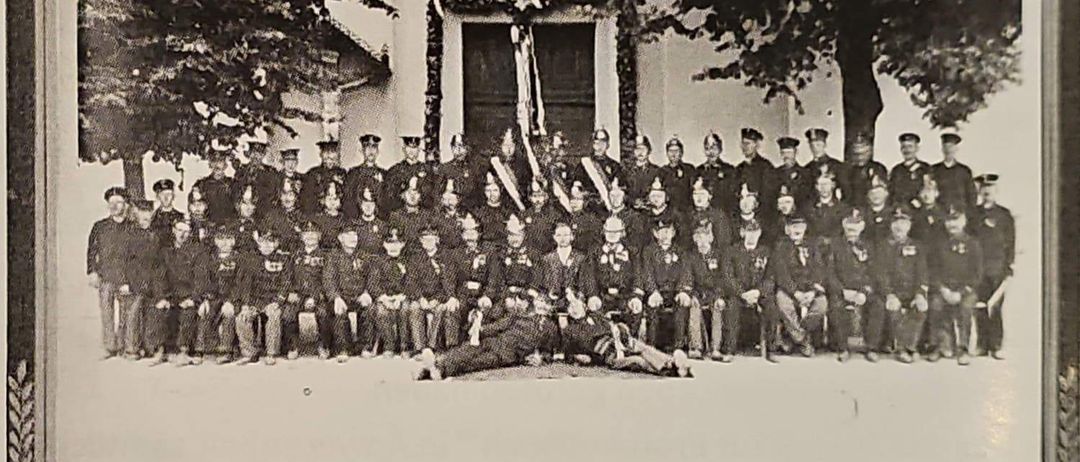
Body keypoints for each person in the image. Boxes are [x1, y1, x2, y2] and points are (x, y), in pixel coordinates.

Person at [413, 292, 559, 381]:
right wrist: (480, 330)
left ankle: (435, 369)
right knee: (468, 349)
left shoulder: (550, 327)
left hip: (508, 353)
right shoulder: (518, 315)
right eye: (539, 301)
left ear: (551, 307)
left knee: (477, 362)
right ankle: (435, 366)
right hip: (494, 340)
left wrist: (541, 358)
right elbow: (499, 326)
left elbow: (549, 351)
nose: (541, 304)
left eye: (545, 303)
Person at [561, 300, 692, 377]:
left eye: (577, 305)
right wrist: (578, 357)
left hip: (622, 342)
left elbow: (610, 325)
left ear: (584, 307)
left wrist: (617, 329)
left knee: (644, 348)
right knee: (638, 360)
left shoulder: (596, 317)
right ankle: (669, 369)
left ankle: (672, 362)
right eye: (571, 307)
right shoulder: (571, 329)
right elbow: (573, 347)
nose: (574, 308)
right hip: (610, 355)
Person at [826, 209, 885, 363]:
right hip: (842, 290)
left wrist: (864, 292)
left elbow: (875, 273)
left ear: (862, 226)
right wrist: (842, 291)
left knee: (878, 304)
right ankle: (842, 348)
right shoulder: (834, 245)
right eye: (849, 225)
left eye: (856, 225)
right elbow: (829, 273)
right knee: (836, 305)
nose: (852, 229)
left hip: (863, 290)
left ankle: (872, 348)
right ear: (843, 225)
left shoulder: (869, 246)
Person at [927, 206, 983, 366]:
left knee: (965, 308)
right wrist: (943, 289)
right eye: (949, 221)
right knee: (936, 306)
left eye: (956, 221)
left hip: (965, 290)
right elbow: (933, 270)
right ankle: (938, 346)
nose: (952, 225)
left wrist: (961, 292)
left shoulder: (973, 244)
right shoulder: (939, 244)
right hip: (943, 289)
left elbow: (977, 274)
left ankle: (963, 348)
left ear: (964, 222)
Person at [876, 206, 930, 364]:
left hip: (911, 292)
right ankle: (901, 349)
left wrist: (920, 293)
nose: (899, 227)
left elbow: (922, 273)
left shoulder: (917, 246)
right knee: (894, 309)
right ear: (890, 225)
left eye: (904, 223)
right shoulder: (883, 246)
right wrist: (889, 294)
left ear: (910, 225)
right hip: (891, 292)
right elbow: (880, 274)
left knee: (921, 307)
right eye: (896, 223)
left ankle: (911, 347)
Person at [234, 226, 294, 365]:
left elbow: (286, 282)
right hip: (256, 300)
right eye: (263, 241)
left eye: (270, 241)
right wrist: (245, 305)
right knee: (242, 317)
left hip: (274, 300)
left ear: (276, 243)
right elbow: (246, 285)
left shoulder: (284, 259)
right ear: (258, 243)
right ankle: (249, 352)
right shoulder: (251, 260)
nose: (266, 245)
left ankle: (271, 352)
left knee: (273, 315)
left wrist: (277, 302)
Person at [970, 174, 1015, 359]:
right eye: (984, 188)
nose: (987, 192)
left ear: (996, 191)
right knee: (979, 306)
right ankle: (982, 344)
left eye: (991, 188)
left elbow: (1010, 243)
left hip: (997, 268)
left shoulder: (1004, 215)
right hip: (978, 268)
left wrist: (1009, 266)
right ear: (980, 191)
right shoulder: (973, 214)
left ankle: (996, 345)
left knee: (995, 307)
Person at [770, 216, 826, 359]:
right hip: (789, 289)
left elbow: (819, 269)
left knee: (822, 305)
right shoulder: (780, 247)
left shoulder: (813, 246)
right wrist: (795, 292)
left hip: (810, 288)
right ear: (787, 229)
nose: (797, 230)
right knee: (783, 303)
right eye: (793, 226)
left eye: (800, 227)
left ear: (805, 228)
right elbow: (781, 273)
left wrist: (812, 291)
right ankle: (803, 340)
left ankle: (794, 335)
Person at [87, 186, 132, 358]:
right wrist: (92, 271)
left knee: (125, 313)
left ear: (126, 205)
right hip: (106, 276)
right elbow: (92, 251)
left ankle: (122, 345)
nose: (114, 206)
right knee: (106, 312)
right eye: (111, 202)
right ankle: (109, 346)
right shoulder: (100, 227)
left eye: (118, 202)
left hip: (126, 277)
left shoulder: (133, 228)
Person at [634, 219, 693, 351]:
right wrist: (653, 291)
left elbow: (686, 273)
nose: (665, 235)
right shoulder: (648, 252)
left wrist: (682, 291)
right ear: (655, 234)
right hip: (656, 291)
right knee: (652, 307)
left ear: (673, 233)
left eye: (668, 231)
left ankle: (678, 346)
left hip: (674, 292)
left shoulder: (681, 252)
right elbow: (647, 273)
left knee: (682, 305)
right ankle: (651, 346)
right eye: (661, 232)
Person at [534, 221, 590, 358]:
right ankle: (550, 350)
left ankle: (572, 351)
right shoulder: (547, 259)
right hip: (553, 301)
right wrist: (546, 298)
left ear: (572, 236)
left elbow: (585, 284)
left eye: (566, 235)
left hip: (573, 301)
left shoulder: (581, 258)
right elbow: (542, 285)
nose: (563, 238)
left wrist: (577, 299)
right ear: (554, 237)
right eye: (559, 235)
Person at [722, 219, 775, 362]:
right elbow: (728, 276)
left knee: (771, 306)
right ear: (742, 232)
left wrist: (758, 292)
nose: (752, 235)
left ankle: (770, 349)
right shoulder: (731, 251)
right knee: (731, 307)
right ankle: (730, 349)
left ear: (760, 233)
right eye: (749, 231)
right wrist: (742, 293)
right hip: (739, 293)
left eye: (755, 231)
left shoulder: (766, 252)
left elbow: (771, 277)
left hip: (759, 293)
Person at [161, 218, 211, 366]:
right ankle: (161, 350)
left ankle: (183, 351)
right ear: (173, 230)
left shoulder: (198, 252)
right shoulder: (165, 251)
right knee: (159, 310)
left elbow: (201, 278)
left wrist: (194, 298)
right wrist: (163, 297)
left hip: (189, 295)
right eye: (179, 230)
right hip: (171, 295)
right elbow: (160, 277)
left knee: (188, 312)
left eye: (186, 232)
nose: (182, 235)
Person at [404, 225, 460, 353]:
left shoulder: (446, 258)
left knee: (441, 309)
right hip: (422, 297)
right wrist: (420, 298)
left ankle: (432, 346)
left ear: (437, 240)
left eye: (431, 239)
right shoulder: (415, 259)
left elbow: (449, 283)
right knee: (414, 308)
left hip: (439, 298)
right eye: (425, 239)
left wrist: (438, 299)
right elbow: (411, 282)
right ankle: (419, 347)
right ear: (421, 241)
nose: (428, 242)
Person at [450, 214, 504, 346]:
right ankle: (453, 345)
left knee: (487, 309)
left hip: (482, 292)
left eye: (473, 231)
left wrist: (488, 295)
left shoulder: (489, 251)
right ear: (462, 234)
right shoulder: (456, 253)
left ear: (479, 233)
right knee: (455, 308)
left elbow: (494, 276)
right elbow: (450, 277)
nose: (469, 236)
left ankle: (480, 341)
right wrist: (452, 296)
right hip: (463, 293)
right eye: (466, 232)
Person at [125, 200, 168, 364]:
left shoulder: (156, 236)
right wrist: (129, 282)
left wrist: (158, 285)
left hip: (153, 281)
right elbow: (126, 262)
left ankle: (151, 347)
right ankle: (132, 348)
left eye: (148, 217)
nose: (145, 220)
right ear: (136, 216)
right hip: (135, 280)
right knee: (134, 312)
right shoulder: (131, 236)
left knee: (153, 312)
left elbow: (159, 262)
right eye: (142, 217)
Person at [323, 227, 375, 362]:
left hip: (359, 296)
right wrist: (336, 297)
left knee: (369, 309)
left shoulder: (364, 256)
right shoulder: (333, 256)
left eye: (355, 235)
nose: (353, 239)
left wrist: (367, 292)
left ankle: (365, 347)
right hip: (342, 296)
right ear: (340, 238)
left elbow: (372, 277)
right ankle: (343, 348)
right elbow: (328, 279)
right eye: (348, 235)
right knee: (338, 311)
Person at [684, 219, 728, 360]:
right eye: (698, 237)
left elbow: (723, 278)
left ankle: (716, 348)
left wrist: (719, 296)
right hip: (698, 293)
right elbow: (687, 278)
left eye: (705, 236)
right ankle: (696, 347)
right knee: (694, 307)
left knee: (718, 307)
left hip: (715, 293)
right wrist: (692, 295)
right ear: (694, 239)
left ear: (711, 238)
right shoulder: (690, 257)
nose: (702, 241)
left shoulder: (719, 256)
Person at [366, 228, 412, 357]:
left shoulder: (408, 261)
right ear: (385, 245)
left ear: (402, 245)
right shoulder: (378, 262)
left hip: (402, 297)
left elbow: (412, 282)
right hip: (384, 297)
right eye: (390, 243)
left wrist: (401, 297)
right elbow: (373, 283)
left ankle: (404, 347)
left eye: (397, 243)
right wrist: (384, 298)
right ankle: (389, 346)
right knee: (381, 312)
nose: (393, 247)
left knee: (405, 310)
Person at [584, 217, 637, 326]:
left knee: (635, 311)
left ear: (622, 233)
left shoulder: (631, 252)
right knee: (594, 316)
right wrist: (592, 295)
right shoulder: (595, 252)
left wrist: (635, 296)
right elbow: (589, 275)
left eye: (616, 232)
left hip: (624, 296)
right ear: (604, 232)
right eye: (609, 232)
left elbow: (637, 275)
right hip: (602, 296)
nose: (612, 235)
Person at [203, 224, 244, 364]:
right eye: (221, 238)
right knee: (205, 310)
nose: (225, 242)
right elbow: (206, 280)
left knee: (228, 312)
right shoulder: (210, 258)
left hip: (233, 298)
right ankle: (205, 347)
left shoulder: (239, 259)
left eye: (228, 238)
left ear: (234, 241)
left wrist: (231, 300)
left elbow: (240, 283)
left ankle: (227, 350)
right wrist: (206, 298)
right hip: (215, 297)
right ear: (215, 240)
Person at [290, 221, 330, 360]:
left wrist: (314, 296)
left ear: (319, 237)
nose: (310, 237)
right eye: (307, 234)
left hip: (318, 295)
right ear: (302, 237)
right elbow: (288, 277)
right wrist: (290, 292)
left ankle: (323, 346)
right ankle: (293, 346)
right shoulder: (295, 256)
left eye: (314, 234)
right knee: (287, 314)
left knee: (323, 313)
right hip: (298, 294)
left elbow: (327, 279)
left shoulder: (325, 256)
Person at [683, 176, 733, 252]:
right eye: (695, 193)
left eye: (702, 193)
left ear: (710, 195)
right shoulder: (687, 216)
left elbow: (724, 243)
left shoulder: (719, 216)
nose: (699, 197)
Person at [929, 133, 977, 212]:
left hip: (960, 213)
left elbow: (972, 196)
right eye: (945, 147)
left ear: (956, 149)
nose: (948, 150)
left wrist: (968, 213)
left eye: (951, 147)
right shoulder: (934, 170)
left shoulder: (964, 171)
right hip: (939, 212)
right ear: (942, 149)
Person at [388, 174, 434, 254]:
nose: (412, 196)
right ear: (402, 195)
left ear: (421, 196)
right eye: (409, 192)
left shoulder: (428, 216)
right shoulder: (395, 216)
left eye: (416, 193)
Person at [344, 134, 386, 220]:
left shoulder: (384, 174)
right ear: (362, 150)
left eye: (374, 147)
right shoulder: (353, 174)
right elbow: (348, 200)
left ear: (377, 151)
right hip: (357, 221)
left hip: (379, 221)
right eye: (367, 146)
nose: (371, 150)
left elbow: (386, 202)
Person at [234, 139, 282, 213]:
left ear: (263, 155)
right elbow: (235, 192)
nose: (256, 156)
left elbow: (273, 194)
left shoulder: (270, 173)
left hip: (263, 210)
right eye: (253, 153)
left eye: (259, 153)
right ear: (249, 154)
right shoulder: (241, 171)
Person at [840, 133, 888, 209]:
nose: (860, 157)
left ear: (870, 152)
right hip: (850, 208)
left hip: (870, 208)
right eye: (857, 154)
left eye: (863, 154)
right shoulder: (846, 169)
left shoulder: (878, 168)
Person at [300, 139, 347, 215]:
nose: (329, 155)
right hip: (317, 215)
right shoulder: (313, 173)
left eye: (332, 151)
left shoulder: (342, 173)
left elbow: (346, 198)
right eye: (326, 152)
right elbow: (306, 198)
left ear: (336, 154)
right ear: (321, 154)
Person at [260, 178, 305, 253]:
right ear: (279, 195)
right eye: (284, 193)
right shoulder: (272, 216)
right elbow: (264, 237)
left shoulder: (303, 216)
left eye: (291, 194)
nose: (287, 198)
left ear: (296, 196)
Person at [735, 128, 775, 211]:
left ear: (756, 145)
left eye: (748, 143)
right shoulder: (739, 168)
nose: (744, 147)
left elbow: (769, 194)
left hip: (761, 212)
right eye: (743, 143)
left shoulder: (766, 166)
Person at [521, 178, 564, 255]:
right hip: (530, 254)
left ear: (545, 196)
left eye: (540, 196)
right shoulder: (524, 215)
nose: (537, 200)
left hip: (550, 254)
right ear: (530, 197)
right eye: (534, 196)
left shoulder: (554, 215)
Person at [697, 132, 737, 213]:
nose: (711, 152)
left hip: (724, 213)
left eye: (713, 148)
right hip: (704, 214)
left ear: (720, 149)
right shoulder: (699, 171)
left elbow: (733, 197)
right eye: (707, 148)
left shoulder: (729, 170)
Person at [768, 136, 811, 210]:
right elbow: (770, 198)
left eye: (789, 152)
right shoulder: (774, 174)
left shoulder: (805, 174)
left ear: (796, 152)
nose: (786, 156)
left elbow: (808, 198)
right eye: (783, 153)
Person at [807, 169, 849, 244]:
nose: (823, 188)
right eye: (820, 184)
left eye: (826, 184)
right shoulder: (809, 208)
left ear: (833, 185)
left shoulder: (843, 208)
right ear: (816, 187)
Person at [193, 152, 237, 224]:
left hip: (229, 222)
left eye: (220, 160)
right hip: (210, 222)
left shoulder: (232, 184)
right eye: (213, 161)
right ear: (210, 164)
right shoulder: (202, 184)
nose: (217, 165)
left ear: (225, 164)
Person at [888, 133, 930, 208]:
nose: (907, 150)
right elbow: (891, 193)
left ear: (917, 148)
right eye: (904, 147)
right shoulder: (896, 170)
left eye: (910, 146)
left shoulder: (925, 168)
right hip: (899, 209)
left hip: (919, 209)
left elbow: (929, 191)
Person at [803, 128, 847, 199]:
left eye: (818, 145)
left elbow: (846, 192)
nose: (815, 149)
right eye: (812, 145)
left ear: (825, 145)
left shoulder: (836, 166)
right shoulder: (807, 168)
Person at [473, 172, 514, 247]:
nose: (492, 194)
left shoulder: (508, 211)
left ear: (500, 190)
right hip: (486, 247)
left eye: (495, 190)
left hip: (505, 246)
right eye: (488, 191)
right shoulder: (478, 211)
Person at [624, 134, 662, 210]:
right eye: (637, 149)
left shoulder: (656, 171)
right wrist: (633, 201)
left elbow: (660, 194)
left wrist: (645, 202)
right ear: (633, 151)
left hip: (650, 211)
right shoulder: (626, 171)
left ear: (649, 150)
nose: (640, 152)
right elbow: (622, 193)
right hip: (630, 211)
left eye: (643, 149)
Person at [565, 181, 603, 253]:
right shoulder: (566, 218)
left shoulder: (592, 221)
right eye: (572, 198)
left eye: (578, 199)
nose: (574, 202)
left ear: (585, 201)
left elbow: (596, 245)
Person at [659, 136, 696, 210]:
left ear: (681, 153)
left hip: (686, 210)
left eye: (676, 151)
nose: (673, 154)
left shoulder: (689, 169)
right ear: (667, 153)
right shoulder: (662, 171)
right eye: (670, 151)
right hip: (668, 210)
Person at [310, 181, 349, 251]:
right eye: (329, 198)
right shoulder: (318, 218)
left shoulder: (343, 218)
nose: (332, 202)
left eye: (335, 199)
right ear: (323, 199)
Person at [150, 179, 185, 247]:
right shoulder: (152, 217)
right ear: (157, 196)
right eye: (162, 194)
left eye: (169, 194)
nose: (166, 198)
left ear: (173, 196)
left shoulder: (181, 217)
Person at [435, 177, 466, 251]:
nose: (450, 197)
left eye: (453, 193)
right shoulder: (435, 217)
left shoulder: (467, 215)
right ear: (441, 197)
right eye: (446, 192)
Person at [353, 186, 386, 255]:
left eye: (371, 202)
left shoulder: (383, 226)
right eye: (365, 202)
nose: (368, 207)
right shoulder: (354, 225)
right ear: (360, 204)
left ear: (375, 204)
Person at [862, 174, 893, 244]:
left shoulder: (893, 213)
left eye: (879, 191)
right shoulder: (862, 214)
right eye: (872, 192)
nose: (875, 195)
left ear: (886, 193)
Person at [232, 184, 260, 254]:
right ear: (237, 203)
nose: (248, 207)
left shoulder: (259, 225)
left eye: (252, 203)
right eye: (245, 202)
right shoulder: (231, 224)